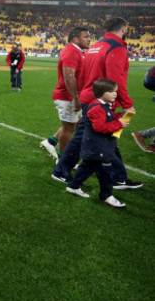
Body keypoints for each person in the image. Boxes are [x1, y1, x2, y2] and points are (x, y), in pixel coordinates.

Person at [52, 17, 142, 190]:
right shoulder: (116, 48)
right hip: (101, 101)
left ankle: (117, 177)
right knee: (89, 139)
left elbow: (84, 75)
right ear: (123, 29)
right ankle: (62, 171)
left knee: (105, 139)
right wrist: (126, 103)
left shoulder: (95, 47)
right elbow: (115, 81)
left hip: (89, 97)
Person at [65, 79, 129, 208]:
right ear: (101, 93)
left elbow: (106, 119)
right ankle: (107, 195)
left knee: (87, 167)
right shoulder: (96, 107)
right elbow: (100, 127)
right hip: (98, 147)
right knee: (106, 172)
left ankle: (73, 186)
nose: (115, 94)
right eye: (111, 92)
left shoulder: (104, 105)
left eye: (115, 91)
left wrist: (118, 117)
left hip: (97, 146)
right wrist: (119, 124)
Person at [40, 27, 91, 161]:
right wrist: (75, 98)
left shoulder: (77, 51)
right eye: (86, 36)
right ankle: (63, 160)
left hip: (71, 95)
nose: (89, 39)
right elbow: (69, 76)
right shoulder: (72, 51)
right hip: (67, 96)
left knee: (75, 124)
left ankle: (50, 142)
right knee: (68, 127)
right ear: (75, 38)